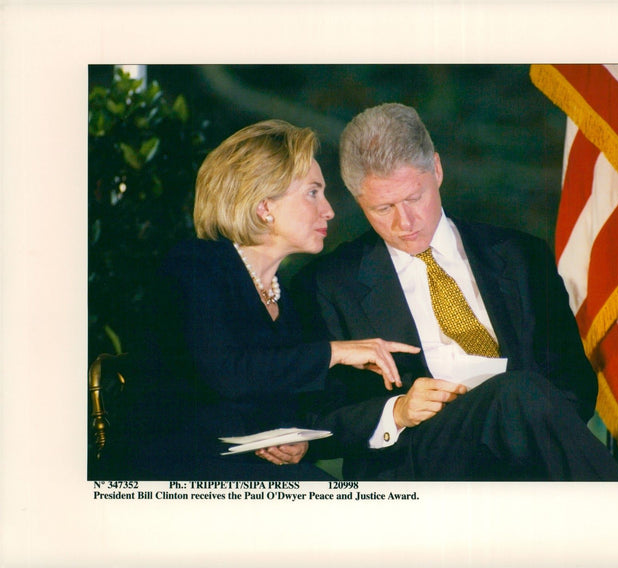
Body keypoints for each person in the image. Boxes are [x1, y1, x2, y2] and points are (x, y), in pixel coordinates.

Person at [296, 103, 618, 481]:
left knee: (518, 395)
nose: (404, 223)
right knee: (518, 392)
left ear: (436, 169)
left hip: (525, 450)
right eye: (383, 207)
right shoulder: (328, 285)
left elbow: (575, 384)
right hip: (418, 461)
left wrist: (515, 424)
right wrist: (398, 411)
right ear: (358, 201)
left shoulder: (520, 255)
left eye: (414, 198)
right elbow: (314, 426)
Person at [118, 119, 418, 480]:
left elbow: (280, 394)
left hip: (243, 470)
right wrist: (335, 352)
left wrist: (293, 440)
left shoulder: (281, 294)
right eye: (313, 192)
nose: (329, 210)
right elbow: (228, 373)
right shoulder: (197, 265)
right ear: (264, 207)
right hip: (174, 471)